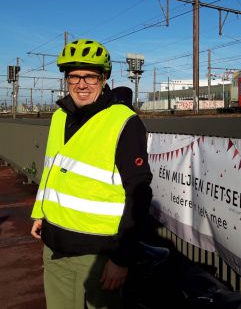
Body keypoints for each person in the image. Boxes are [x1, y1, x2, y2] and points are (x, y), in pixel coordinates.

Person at [30, 39, 153, 308]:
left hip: (97, 255)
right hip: (54, 245)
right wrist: (40, 213)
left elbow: (139, 194)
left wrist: (121, 259)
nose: (81, 84)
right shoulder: (59, 116)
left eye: (90, 76)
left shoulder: (123, 121)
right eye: (74, 76)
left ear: (104, 77)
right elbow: (53, 169)